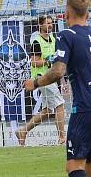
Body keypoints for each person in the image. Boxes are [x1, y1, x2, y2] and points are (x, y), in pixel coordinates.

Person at [24, 0, 91, 177]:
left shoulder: (66, 35)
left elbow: (58, 71)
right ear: (87, 15)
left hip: (85, 108)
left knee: (74, 167)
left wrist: (36, 83)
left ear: (66, 14)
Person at [17, 15, 66, 146]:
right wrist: (47, 60)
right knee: (59, 104)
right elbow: (34, 62)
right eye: (47, 23)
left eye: (51, 23)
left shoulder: (53, 39)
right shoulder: (36, 42)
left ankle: (23, 131)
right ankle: (62, 137)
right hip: (42, 77)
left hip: (51, 77)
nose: (50, 25)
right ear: (40, 25)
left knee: (48, 110)